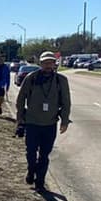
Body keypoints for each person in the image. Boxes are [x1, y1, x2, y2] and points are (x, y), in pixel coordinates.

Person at [15, 51, 71, 191]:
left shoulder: (61, 80)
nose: (48, 65)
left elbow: (66, 102)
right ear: (40, 64)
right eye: (45, 63)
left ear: (54, 64)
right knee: (31, 152)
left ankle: (40, 181)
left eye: (50, 63)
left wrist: (64, 121)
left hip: (50, 124)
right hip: (32, 122)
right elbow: (21, 99)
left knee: (44, 155)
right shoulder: (31, 78)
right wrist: (20, 118)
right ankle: (31, 170)